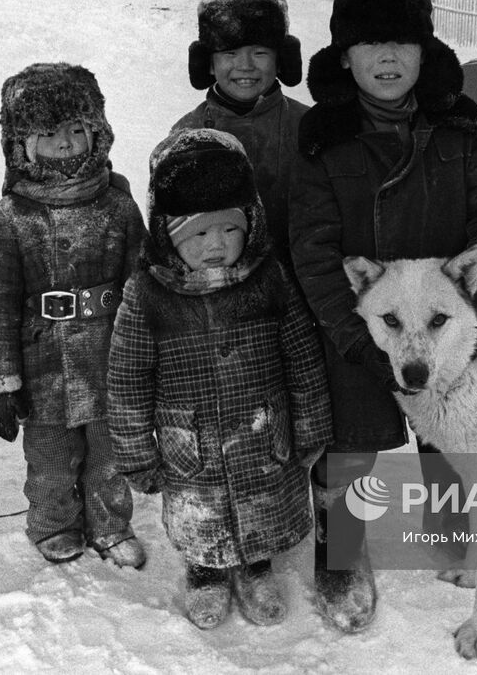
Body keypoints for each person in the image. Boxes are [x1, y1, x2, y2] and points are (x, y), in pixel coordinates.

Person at [289, 0, 477, 633]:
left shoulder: (457, 127)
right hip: (366, 329)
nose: (386, 58)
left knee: (450, 437)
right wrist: (354, 334)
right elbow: (312, 249)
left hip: (445, 328)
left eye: (401, 43)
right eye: (370, 44)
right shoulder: (323, 139)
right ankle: (341, 560)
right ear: (344, 57)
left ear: (424, 52)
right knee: (350, 448)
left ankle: (452, 532)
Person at [107, 129, 332, 630]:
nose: (216, 246)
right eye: (198, 235)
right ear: (169, 236)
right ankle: (205, 573)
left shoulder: (271, 280)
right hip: (192, 444)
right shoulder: (146, 294)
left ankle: (255, 569)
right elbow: (126, 382)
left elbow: (303, 359)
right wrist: (136, 453)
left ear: (249, 225)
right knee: (201, 516)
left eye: (229, 231)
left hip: (261, 433)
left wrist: (311, 425)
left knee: (261, 509)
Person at [0, 63, 147, 568]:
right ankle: (53, 523)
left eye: (77, 129)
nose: (67, 144)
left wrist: (148, 356)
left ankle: (111, 524)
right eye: (48, 134)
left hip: (111, 364)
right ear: (20, 145)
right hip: (42, 368)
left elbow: (141, 288)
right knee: (50, 460)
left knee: (110, 459)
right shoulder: (6, 220)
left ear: (98, 131)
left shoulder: (119, 206)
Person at [170, 0, 305, 261]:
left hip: (298, 285)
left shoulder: (308, 127)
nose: (245, 65)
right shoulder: (186, 134)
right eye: (230, 53)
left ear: (281, 61)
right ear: (207, 63)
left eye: (259, 52)